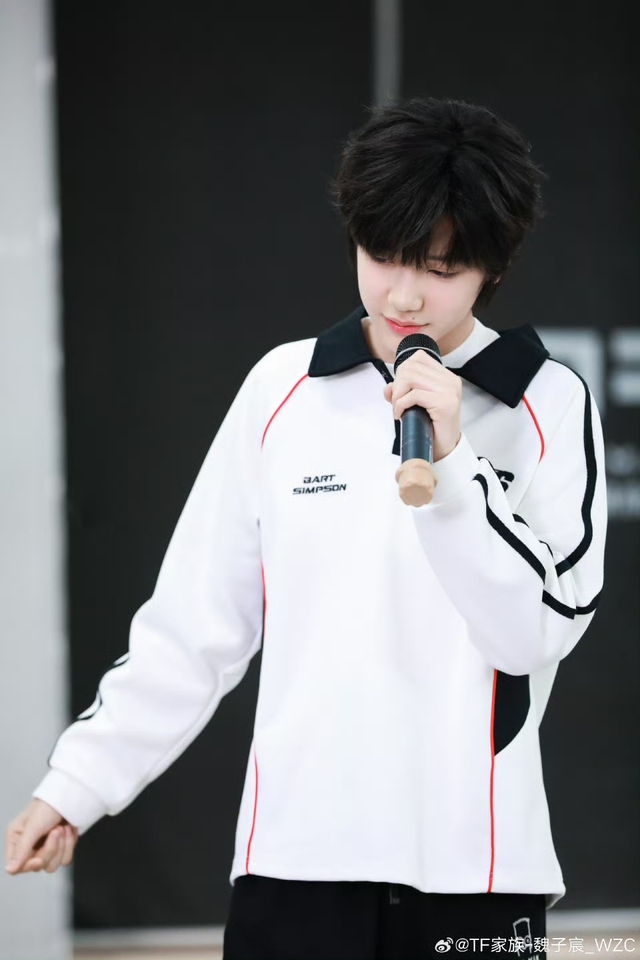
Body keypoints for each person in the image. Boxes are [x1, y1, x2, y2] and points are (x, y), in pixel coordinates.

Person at [6, 98, 606, 960]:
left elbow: (535, 633)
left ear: (491, 268)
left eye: (440, 267)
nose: (405, 293)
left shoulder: (547, 401)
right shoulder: (284, 389)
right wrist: (77, 784)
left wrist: (455, 466)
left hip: (477, 875)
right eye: (384, 256)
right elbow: (194, 628)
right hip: (296, 866)